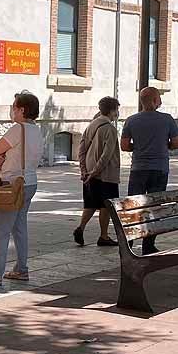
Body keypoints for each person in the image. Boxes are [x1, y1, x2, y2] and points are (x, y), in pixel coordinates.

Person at [0, 92, 43, 287]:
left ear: (22, 110)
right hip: (29, 182)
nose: (12, 111)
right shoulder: (37, 130)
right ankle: (21, 268)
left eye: (14, 107)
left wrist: (2, 157)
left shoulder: (17, 129)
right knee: (20, 227)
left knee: (1, 230)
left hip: (11, 183)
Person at [121, 87, 178, 254]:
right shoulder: (167, 119)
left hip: (138, 169)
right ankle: (149, 245)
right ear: (154, 100)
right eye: (159, 97)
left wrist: (140, 147)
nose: (161, 101)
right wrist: (163, 145)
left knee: (134, 208)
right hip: (159, 169)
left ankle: (129, 244)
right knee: (155, 207)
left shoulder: (131, 120)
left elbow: (124, 146)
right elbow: (177, 143)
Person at [74, 97, 121, 247]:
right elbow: (106, 155)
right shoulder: (110, 129)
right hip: (105, 175)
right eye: (116, 110)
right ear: (113, 110)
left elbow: (81, 150)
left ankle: (81, 228)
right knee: (105, 206)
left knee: (91, 204)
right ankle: (104, 236)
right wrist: (95, 172)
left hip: (89, 173)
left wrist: (84, 171)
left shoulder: (91, 125)